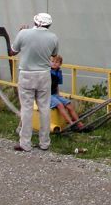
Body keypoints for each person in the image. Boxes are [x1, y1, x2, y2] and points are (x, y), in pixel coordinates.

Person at [9, 12, 58, 152]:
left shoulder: (23, 33)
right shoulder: (53, 37)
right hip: (44, 75)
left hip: (26, 74)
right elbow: (54, 54)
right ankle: (45, 142)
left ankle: (25, 143)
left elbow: (12, 52)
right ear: (49, 25)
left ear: (35, 22)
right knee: (44, 108)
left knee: (27, 108)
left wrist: (20, 33)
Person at [49, 55, 81, 128]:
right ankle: (71, 123)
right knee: (60, 104)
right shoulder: (47, 71)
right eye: (52, 61)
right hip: (47, 95)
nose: (54, 63)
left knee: (69, 104)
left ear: (60, 64)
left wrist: (58, 95)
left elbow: (57, 85)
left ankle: (79, 123)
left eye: (56, 62)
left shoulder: (59, 72)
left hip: (54, 94)